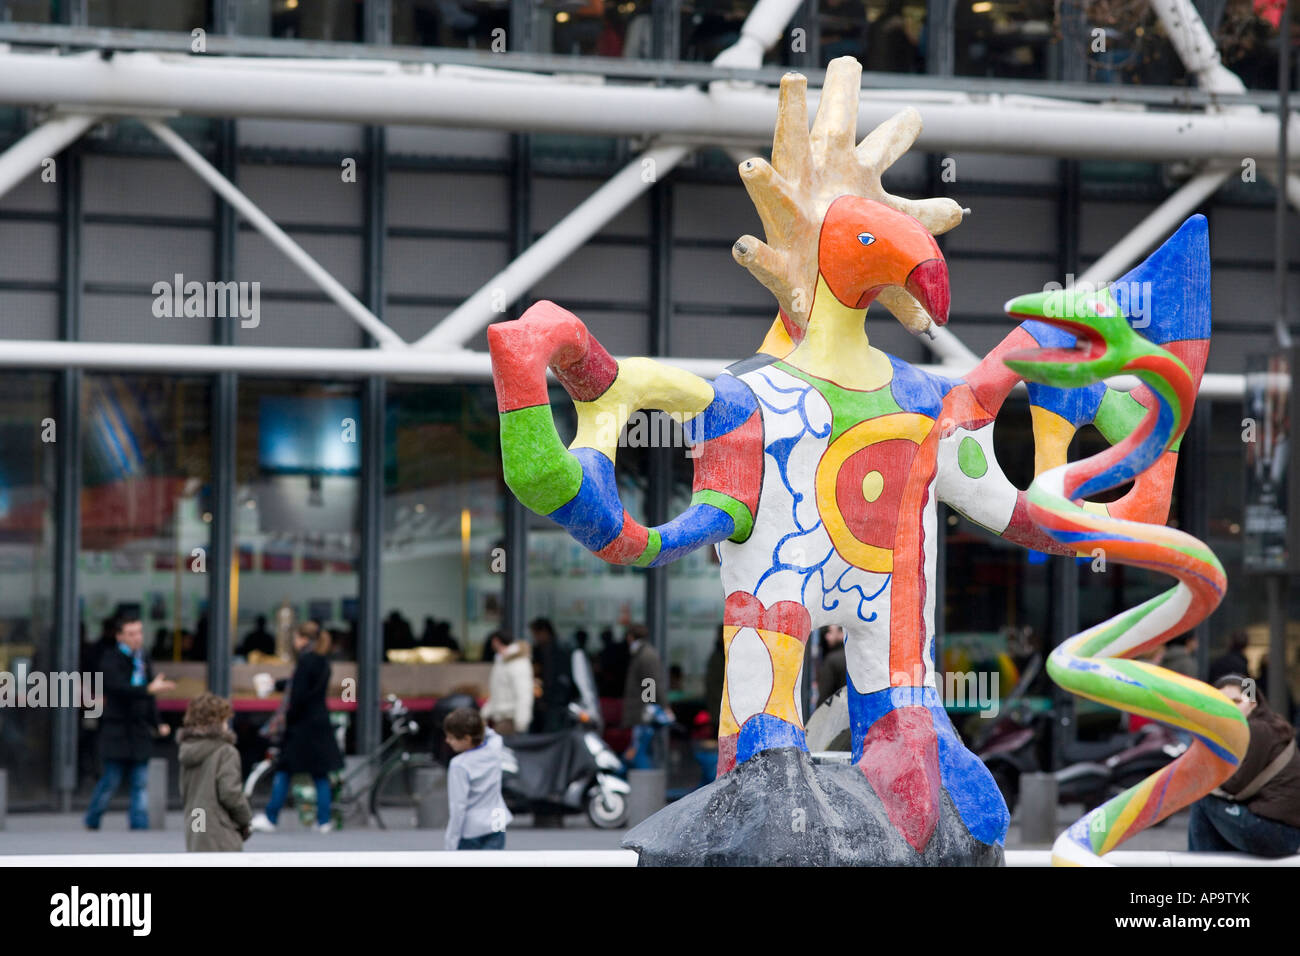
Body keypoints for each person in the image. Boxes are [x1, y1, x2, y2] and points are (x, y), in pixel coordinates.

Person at [1188, 675, 1300, 857]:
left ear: (1253, 704)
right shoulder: (1269, 725)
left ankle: (1201, 862)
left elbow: (1234, 784)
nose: (1229, 708)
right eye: (1222, 703)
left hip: (1275, 833)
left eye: (1236, 701)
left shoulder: (1257, 729)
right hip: (1284, 833)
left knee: (1203, 800)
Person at [250, 622, 344, 833]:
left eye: (296, 637)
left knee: (284, 770)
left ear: (303, 639)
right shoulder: (322, 662)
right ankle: (324, 821)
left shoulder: (305, 661)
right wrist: (277, 684)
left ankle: (271, 817)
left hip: (302, 727)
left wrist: (287, 719)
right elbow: (299, 684)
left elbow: (298, 693)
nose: (294, 641)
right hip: (319, 724)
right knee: (320, 774)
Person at [85, 614, 174, 831]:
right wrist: (148, 689)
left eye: (140, 632)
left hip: (139, 729)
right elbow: (118, 687)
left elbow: (149, 697)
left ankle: (139, 824)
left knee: (140, 781)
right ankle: (93, 818)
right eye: (131, 633)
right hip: (116, 728)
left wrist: (157, 723)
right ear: (119, 636)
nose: (137, 638)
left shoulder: (143, 658)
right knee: (110, 780)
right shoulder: (111, 658)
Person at [178, 692, 253, 852]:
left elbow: (184, 790)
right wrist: (245, 819)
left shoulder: (187, 750)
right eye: (226, 720)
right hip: (219, 828)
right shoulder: (225, 751)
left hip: (196, 824)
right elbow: (230, 793)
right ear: (218, 722)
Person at [443, 707, 512, 850]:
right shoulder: (495, 747)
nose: (447, 741)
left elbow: (458, 806)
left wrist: (451, 840)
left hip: (472, 826)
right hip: (497, 819)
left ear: (467, 738)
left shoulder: (459, 765)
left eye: (451, 737)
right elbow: (492, 734)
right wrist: (477, 726)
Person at [481, 631, 534, 735]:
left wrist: (521, 722)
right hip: (501, 718)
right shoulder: (502, 661)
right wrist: (485, 713)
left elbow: (524, 694)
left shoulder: (517, 663)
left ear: (496, 641)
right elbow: (497, 692)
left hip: (511, 719)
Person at [529, 617, 575, 732]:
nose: (536, 638)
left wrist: (548, 698)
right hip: (550, 699)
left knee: (552, 731)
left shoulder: (556, 650)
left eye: (536, 634)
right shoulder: (541, 650)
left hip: (555, 700)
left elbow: (554, 676)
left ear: (544, 631)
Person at [621, 624, 666, 729]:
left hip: (643, 714)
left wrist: (648, 709)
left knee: (646, 742)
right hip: (642, 712)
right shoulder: (642, 653)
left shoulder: (645, 654)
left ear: (630, 637)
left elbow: (649, 682)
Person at [817, 625, 847, 707]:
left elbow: (825, 695)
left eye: (830, 632)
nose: (827, 636)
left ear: (842, 634)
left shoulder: (831, 660)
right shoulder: (855, 657)